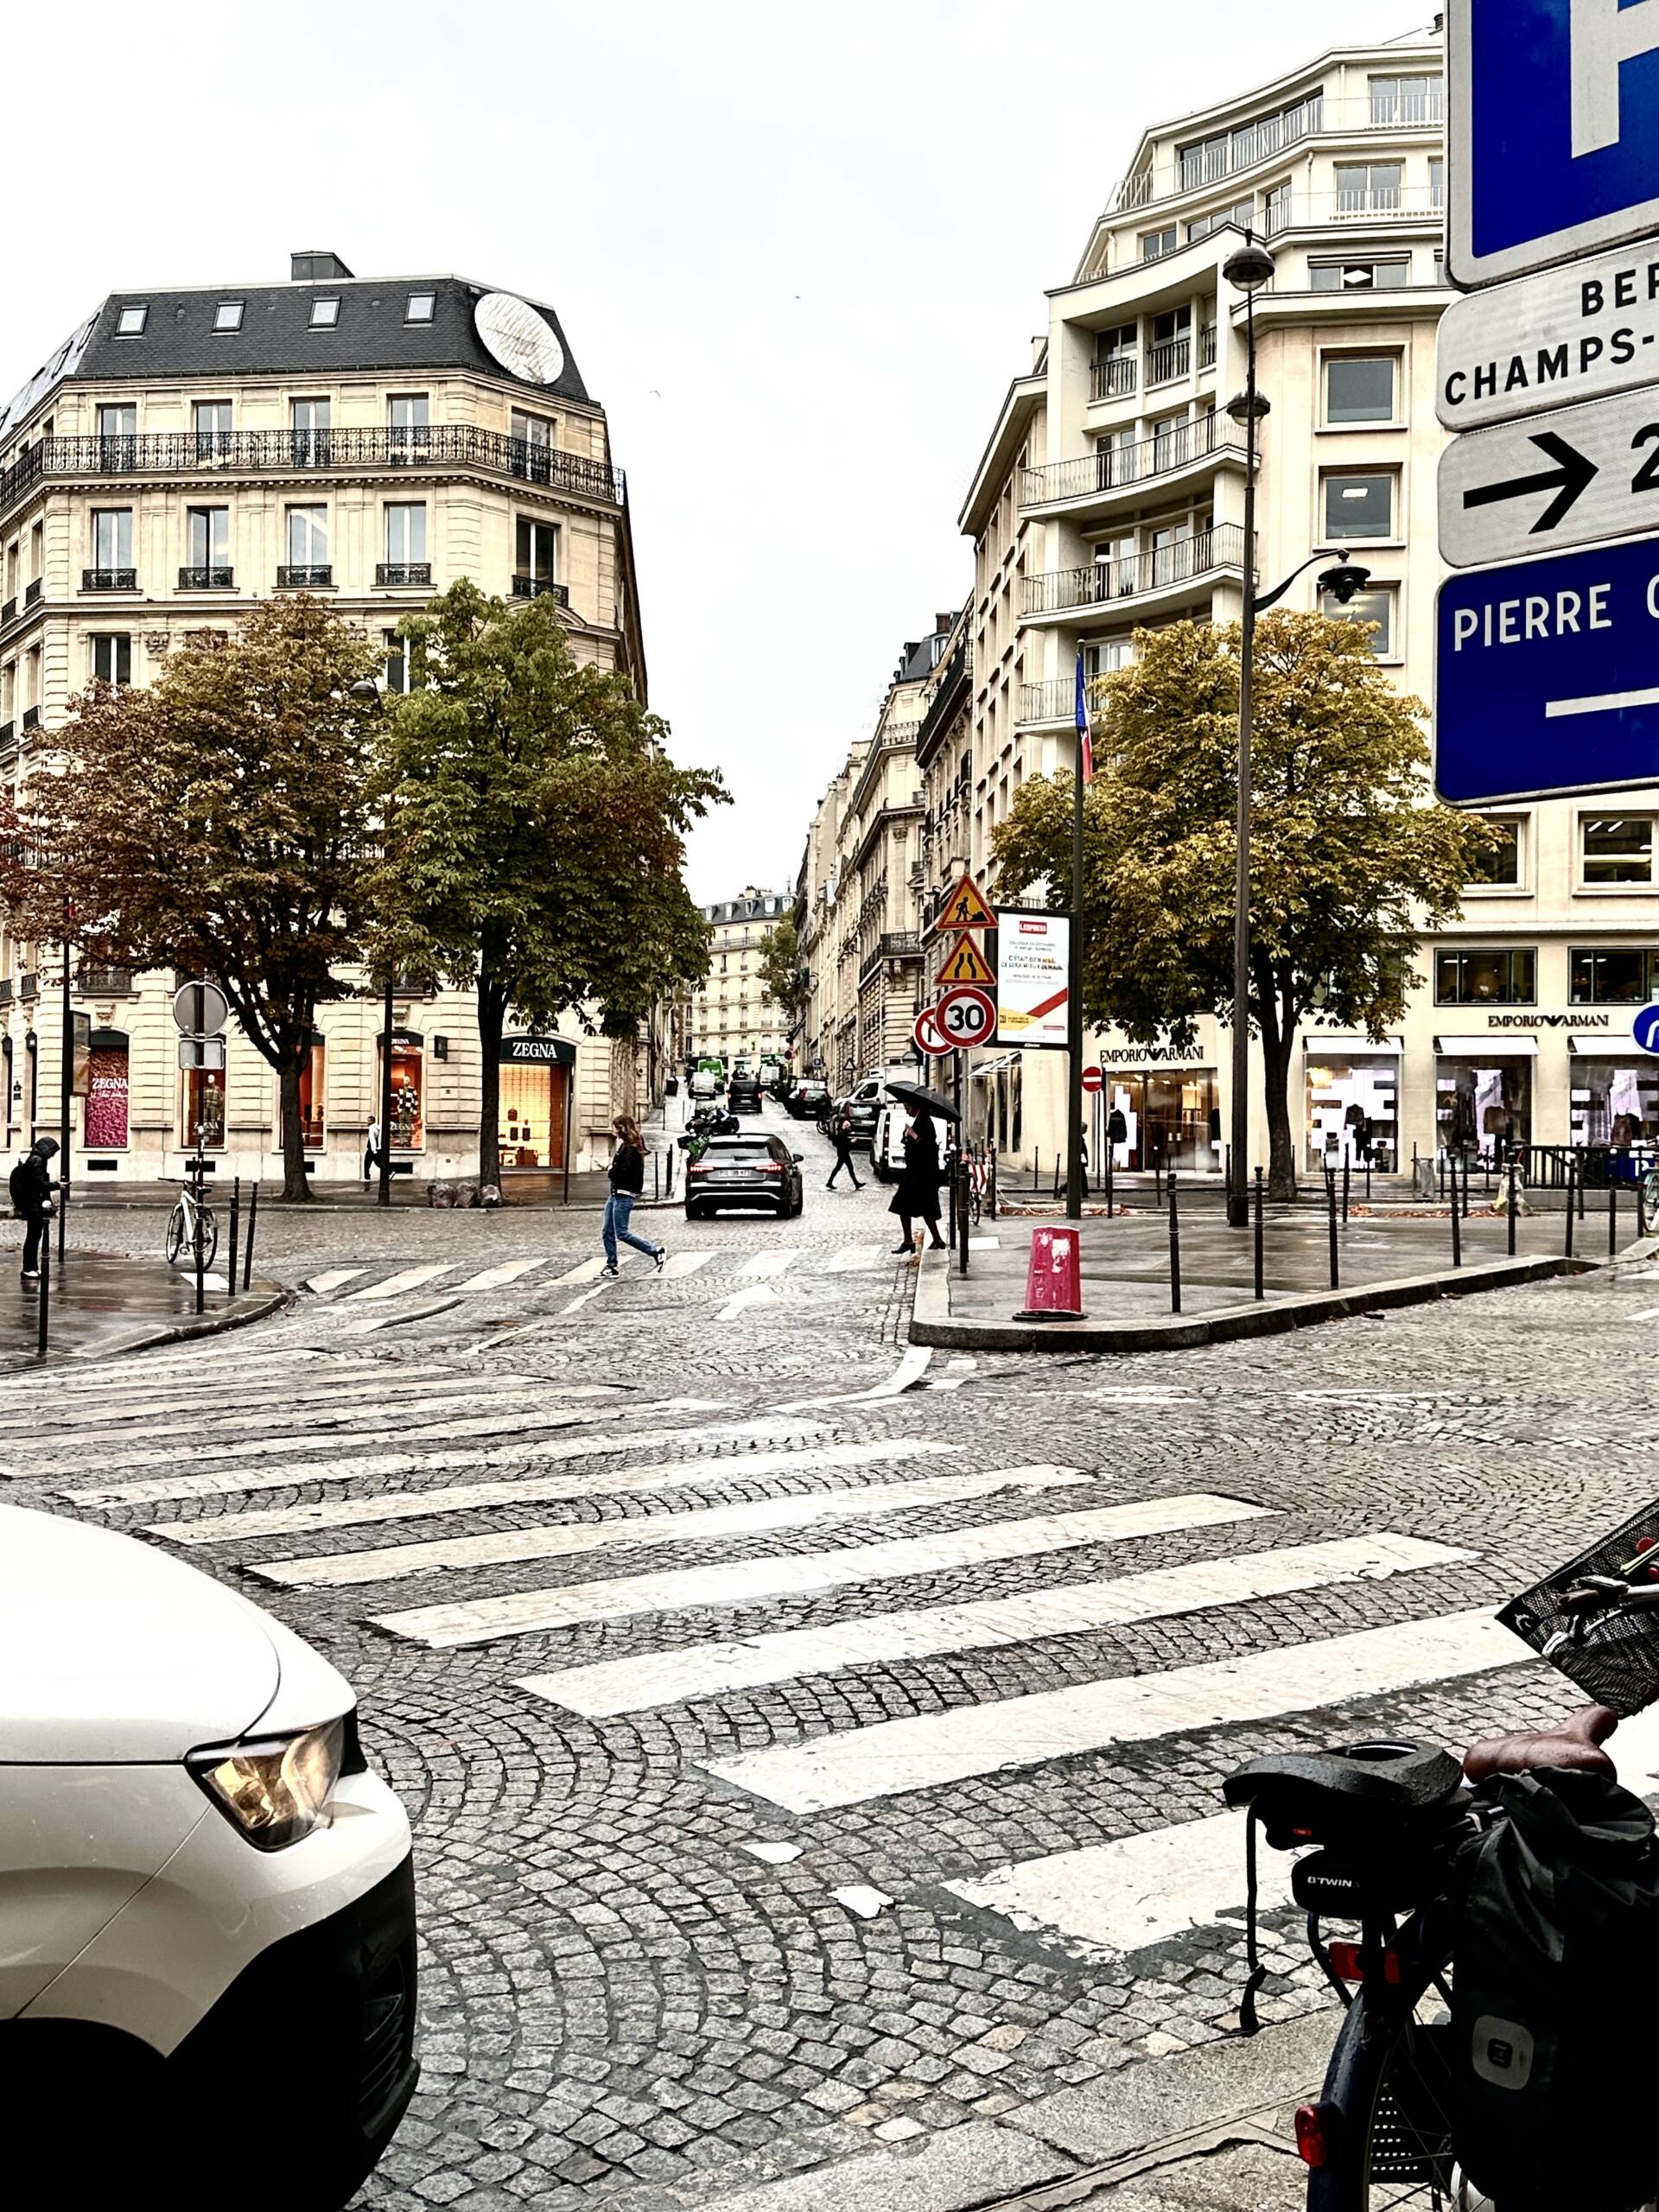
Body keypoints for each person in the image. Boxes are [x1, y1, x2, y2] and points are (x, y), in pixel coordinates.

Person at [603, 1115, 665, 1277]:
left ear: (623, 1128)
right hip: (616, 1193)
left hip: (623, 1195)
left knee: (621, 1233)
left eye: (616, 1127)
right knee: (607, 1231)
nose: (614, 1131)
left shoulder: (630, 1149)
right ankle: (611, 1266)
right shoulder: (627, 1146)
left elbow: (623, 1174)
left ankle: (656, 1251)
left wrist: (609, 1168)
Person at [889, 1107, 947, 1254]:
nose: (906, 1110)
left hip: (921, 1174)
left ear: (915, 1106)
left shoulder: (925, 1122)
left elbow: (926, 1148)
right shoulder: (920, 1120)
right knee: (917, 1207)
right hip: (917, 1173)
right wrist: (907, 1134)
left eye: (907, 1106)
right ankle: (924, 1240)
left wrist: (913, 1135)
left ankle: (916, 1240)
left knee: (909, 1206)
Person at [12, 1136, 59, 1286]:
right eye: (52, 1152)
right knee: (33, 1237)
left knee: (34, 1237)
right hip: (34, 1205)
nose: (53, 1155)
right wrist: (58, 1185)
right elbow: (40, 1184)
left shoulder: (35, 1159)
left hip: (32, 1204)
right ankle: (29, 1268)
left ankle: (31, 1267)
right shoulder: (37, 1161)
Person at [826, 1108, 861, 1192]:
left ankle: (830, 1182)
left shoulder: (841, 1132)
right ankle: (856, 1183)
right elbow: (844, 1144)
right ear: (846, 1127)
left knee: (839, 1168)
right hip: (843, 1154)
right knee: (849, 1168)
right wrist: (852, 1142)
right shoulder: (842, 1134)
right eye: (849, 1127)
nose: (850, 1129)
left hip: (842, 1153)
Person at [363, 1117, 381, 1187]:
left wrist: (374, 1150)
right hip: (377, 1148)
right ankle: (389, 1172)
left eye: (368, 1121)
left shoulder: (371, 1128)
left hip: (372, 1149)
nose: (367, 1122)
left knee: (366, 1163)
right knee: (378, 1163)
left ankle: (367, 1177)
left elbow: (372, 1139)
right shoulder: (377, 1128)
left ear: (371, 1121)